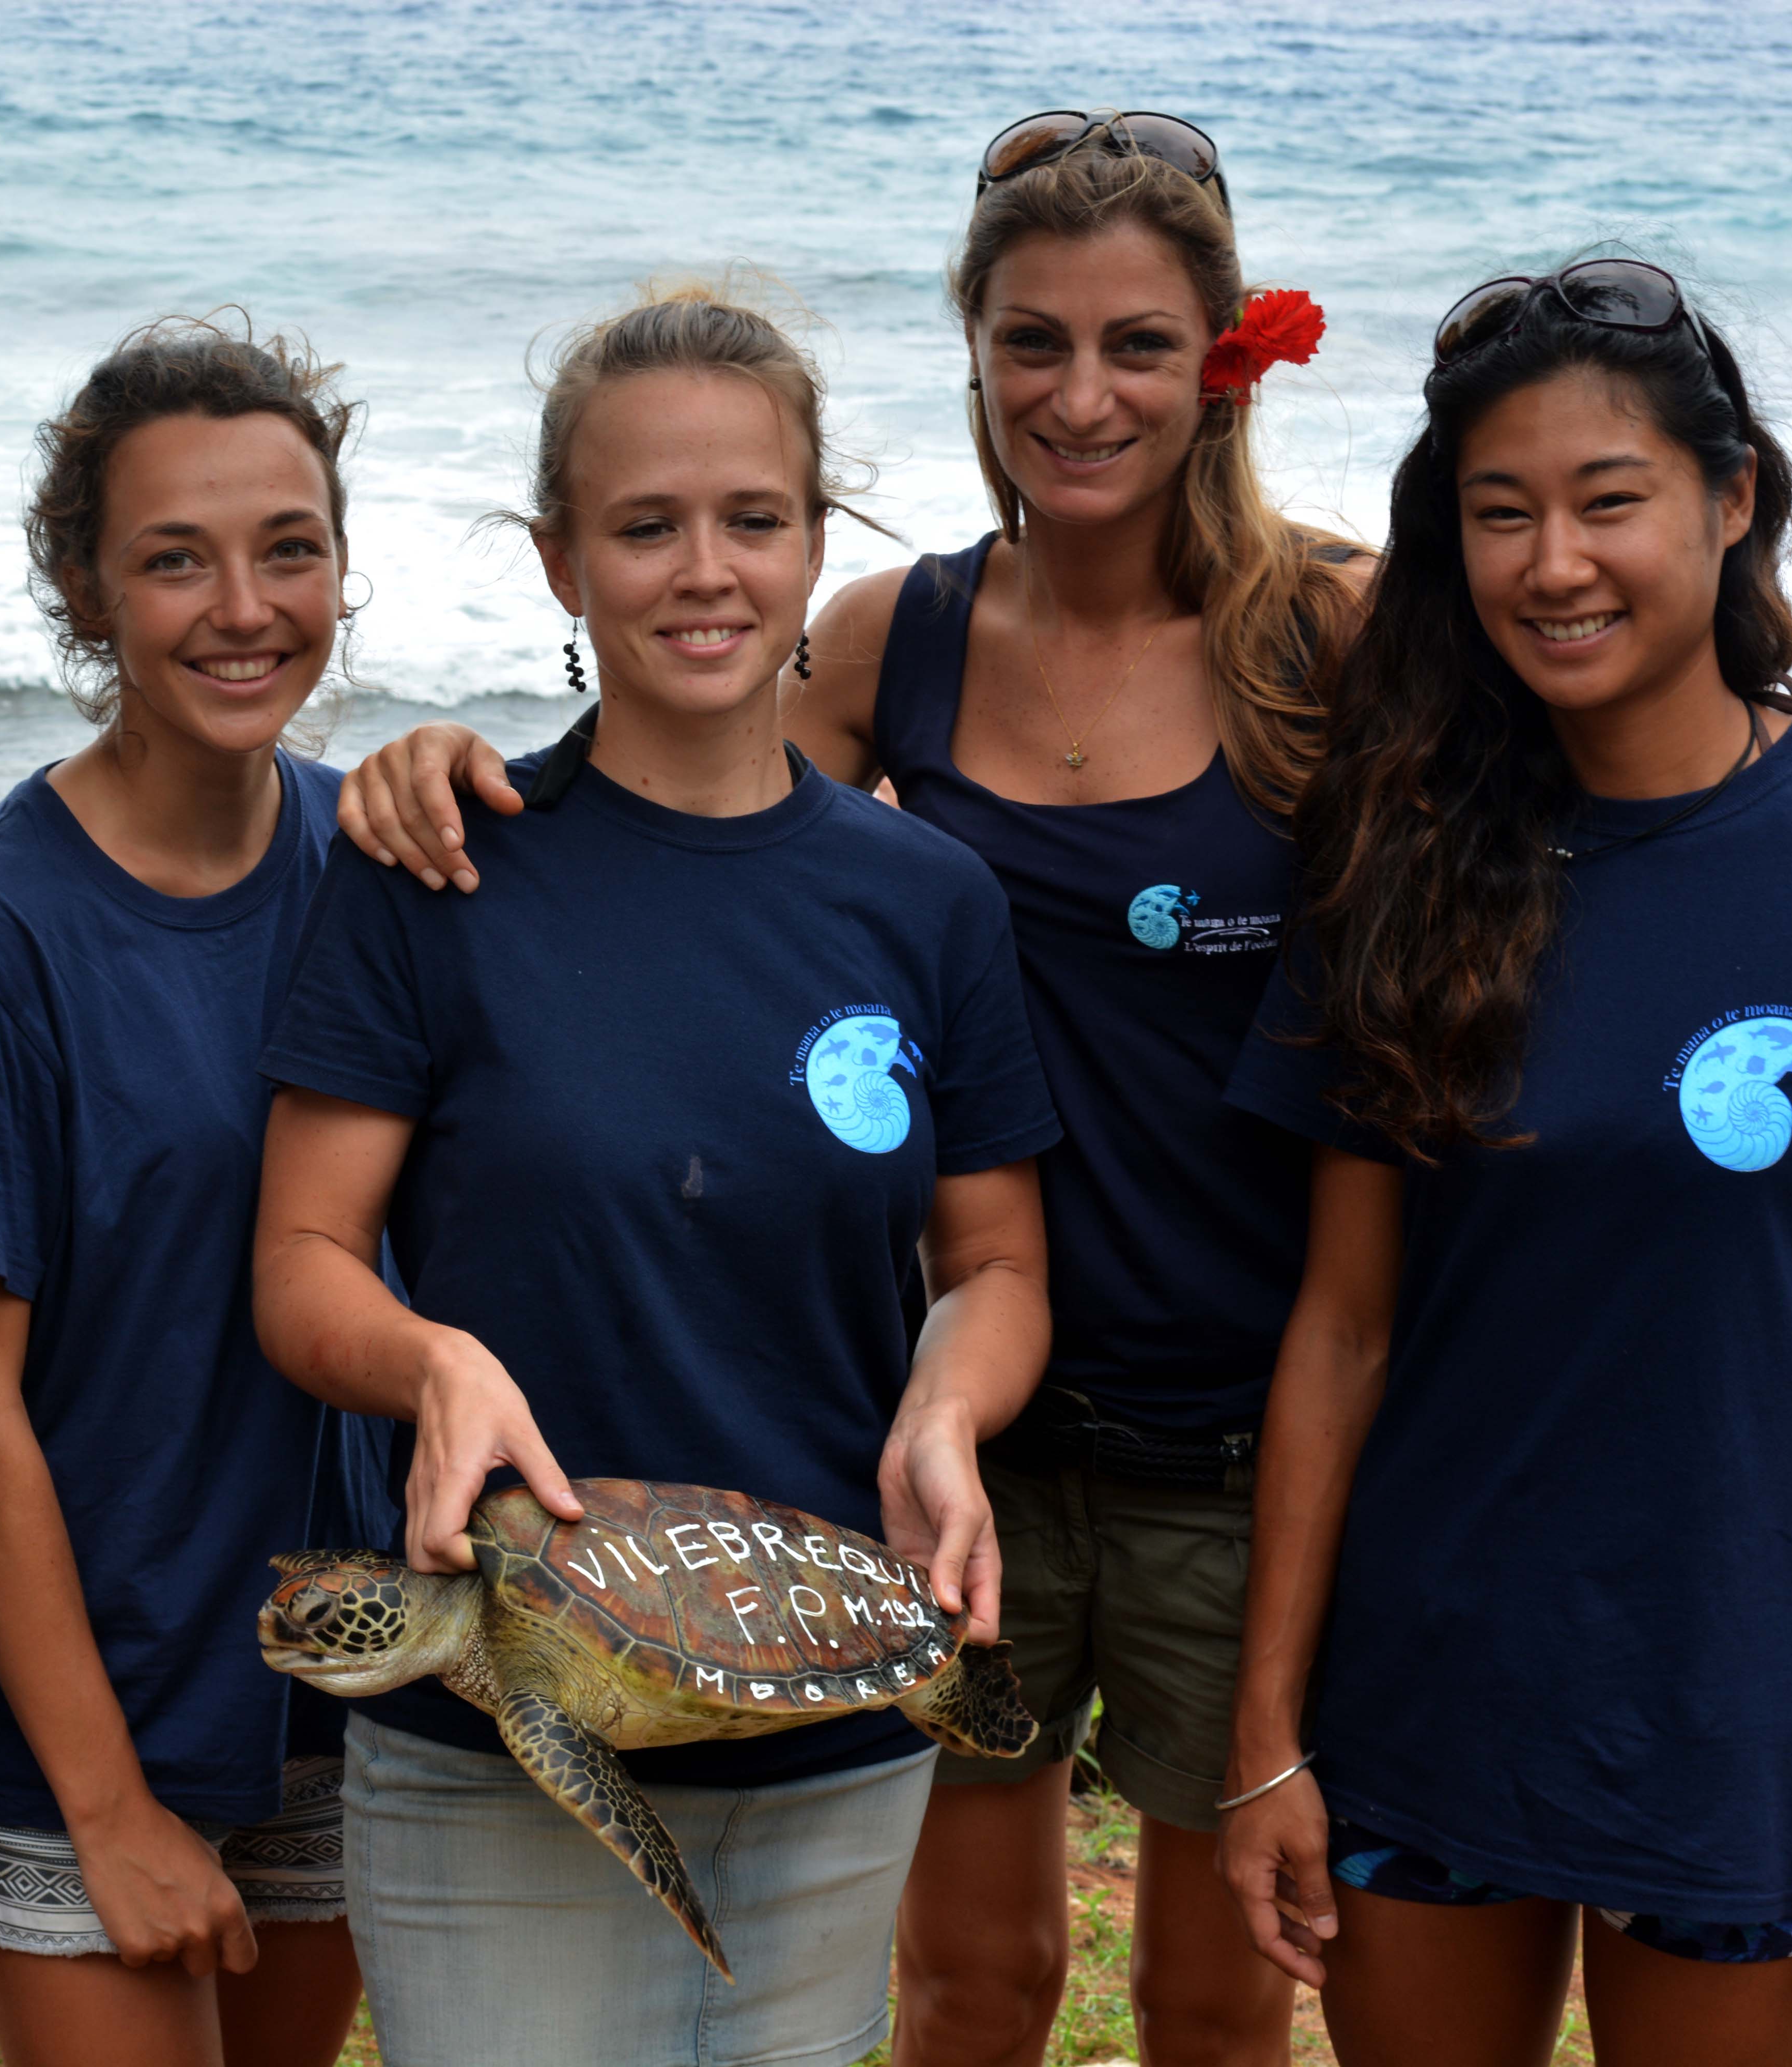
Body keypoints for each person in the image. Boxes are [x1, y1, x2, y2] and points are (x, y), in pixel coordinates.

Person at [332, 113, 1366, 2065]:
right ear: (969, 356)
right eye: (1030, 346)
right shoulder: (902, 634)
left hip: (1233, 1426)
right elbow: (688, 819)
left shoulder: (1330, 635)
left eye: (1139, 345)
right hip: (939, 1436)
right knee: (968, 1983)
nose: (1081, 396)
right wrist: (428, 767)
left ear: (1224, 358)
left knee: (1222, 1993)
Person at [250, 279, 1062, 2067]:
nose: (705, 569)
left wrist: (945, 1416)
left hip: (839, 1717)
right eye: (646, 526)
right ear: (562, 563)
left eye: (752, 520)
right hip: (499, 1746)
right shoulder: (440, 867)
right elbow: (304, 1256)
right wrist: (429, 1359)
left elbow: (997, 1265)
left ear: (813, 540)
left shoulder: (924, 900)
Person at [1217, 260, 1792, 2064]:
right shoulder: (1408, 860)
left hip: (1743, 1696)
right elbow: (1342, 1335)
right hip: (1431, 1688)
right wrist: (1270, 1735)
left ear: (1732, 503)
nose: (1552, 563)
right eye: (1501, 514)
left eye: (1608, 501)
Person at [0, 318, 375, 2067]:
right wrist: (105, 1807)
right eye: (174, 560)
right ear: (84, 590)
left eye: (288, 549)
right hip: (87, 1708)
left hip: (341, 1686)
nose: (242, 608)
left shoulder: (379, 862)